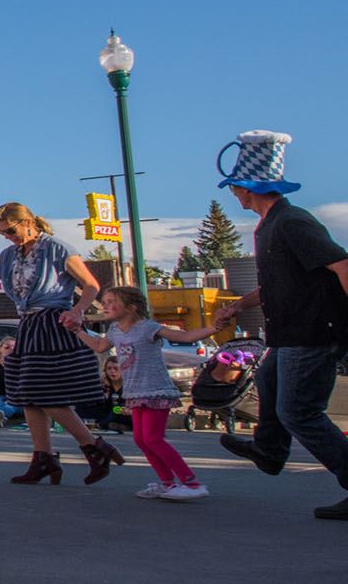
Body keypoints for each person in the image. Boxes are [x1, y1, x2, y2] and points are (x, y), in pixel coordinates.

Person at [210, 130, 348, 521]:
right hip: (289, 334)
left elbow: (341, 265)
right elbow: (276, 282)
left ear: (246, 188)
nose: (232, 194)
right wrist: (239, 304)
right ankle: (269, 451)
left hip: (313, 333)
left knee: (299, 413)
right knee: (268, 381)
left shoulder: (292, 221)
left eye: (234, 187)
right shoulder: (268, 225)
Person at [0, 202, 122, 486]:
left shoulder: (56, 248)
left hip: (53, 323)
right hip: (28, 324)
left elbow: (90, 285)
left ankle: (94, 447)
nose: (7, 236)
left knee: (46, 394)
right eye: (2, 233)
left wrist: (78, 310)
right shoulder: (8, 255)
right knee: (27, 394)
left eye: (10, 230)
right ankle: (44, 457)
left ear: (27, 222)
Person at [70, 285, 230, 501]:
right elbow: (99, 346)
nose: (105, 306)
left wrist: (213, 328)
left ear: (131, 307)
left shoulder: (148, 327)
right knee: (141, 439)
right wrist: (77, 330)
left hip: (155, 389)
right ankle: (167, 483)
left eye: (110, 302)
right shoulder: (115, 331)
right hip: (135, 391)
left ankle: (192, 483)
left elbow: (185, 336)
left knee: (154, 439)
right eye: (104, 302)